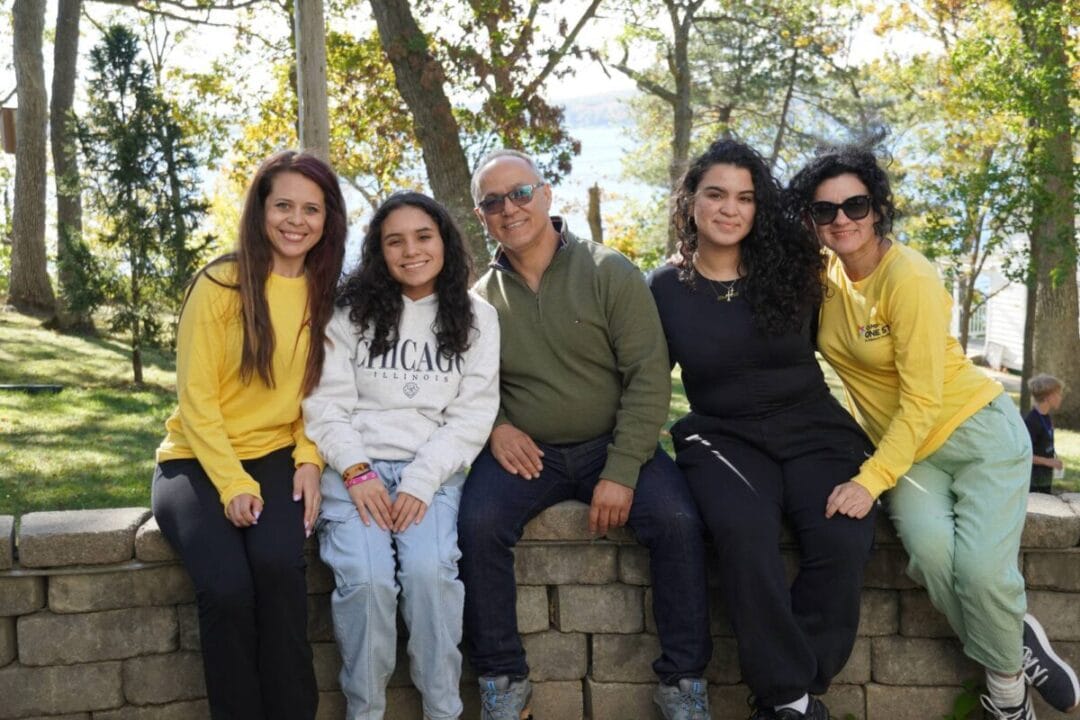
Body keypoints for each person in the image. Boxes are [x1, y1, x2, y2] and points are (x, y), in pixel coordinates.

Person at [788, 145, 1080, 720]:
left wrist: (870, 481)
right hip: (913, 452)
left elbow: (922, 399)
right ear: (811, 221)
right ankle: (1013, 633)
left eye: (855, 204)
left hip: (976, 433)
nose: (841, 219)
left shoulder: (910, 277)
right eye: (825, 211)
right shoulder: (823, 274)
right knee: (927, 556)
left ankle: (1005, 692)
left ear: (877, 210)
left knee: (979, 571)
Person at [457, 148, 713, 720]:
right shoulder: (479, 303)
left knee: (677, 522)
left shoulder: (608, 271)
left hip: (615, 442)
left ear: (547, 195)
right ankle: (502, 683)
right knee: (475, 524)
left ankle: (684, 685)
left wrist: (622, 472)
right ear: (481, 216)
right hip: (530, 455)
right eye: (493, 201)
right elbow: (467, 388)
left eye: (520, 193)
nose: (509, 208)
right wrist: (496, 429)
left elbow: (649, 377)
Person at [649, 140, 876, 720]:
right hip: (722, 436)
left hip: (812, 428)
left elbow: (866, 302)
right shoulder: (665, 289)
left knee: (842, 537)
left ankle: (795, 689)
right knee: (745, 538)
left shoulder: (795, 264)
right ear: (690, 201)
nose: (731, 209)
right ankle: (790, 702)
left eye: (746, 198)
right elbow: (645, 381)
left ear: (759, 207)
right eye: (717, 194)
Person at [152, 150, 347, 720]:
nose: (296, 219)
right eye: (283, 204)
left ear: (327, 219)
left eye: (312, 208)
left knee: (279, 573)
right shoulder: (220, 284)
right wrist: (232, 481)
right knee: (228, 589)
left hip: (277, 456)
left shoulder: (323, 291)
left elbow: (319, 392)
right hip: (194, 459)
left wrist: (309, 458)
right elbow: (196, 400)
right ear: (260, 209)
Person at [302, 192, 500, 720]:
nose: (411, 250)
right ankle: (364, 711)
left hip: (430, 475)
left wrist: (419, 482)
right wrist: (357, 470)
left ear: (445, 242)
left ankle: (443, 710)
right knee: (367, 583)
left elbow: (471, 415)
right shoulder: (348, 312)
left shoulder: (478, 318)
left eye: (423, 236)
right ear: (379, 251)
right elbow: (324, 405)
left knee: (429, 573)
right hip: (354, 471)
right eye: (395, 241)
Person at [1025, 374, 1065, 494]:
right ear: (1048, 397)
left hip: (1044, 480)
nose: (1061, 397)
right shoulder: (1032, 421)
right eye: (1058, 394)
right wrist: (1048, 462)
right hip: (1033, 483)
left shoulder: (1046, 417)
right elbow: (1026, 455)